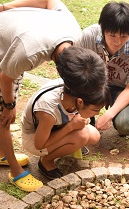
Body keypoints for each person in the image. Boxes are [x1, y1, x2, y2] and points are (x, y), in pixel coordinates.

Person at [0, 0, 92, 192]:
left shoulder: (74, 33)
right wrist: (8, 105)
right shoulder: (29, 54)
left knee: (9, 96)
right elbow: (5, 77)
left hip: (13, 42)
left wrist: (4, 7)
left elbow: (48, 1)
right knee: (2, 116)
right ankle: (15, 170)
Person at [21, 47, 110, 179]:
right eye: (95, 110)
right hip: (34, 139)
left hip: (54, 128)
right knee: (82, 136)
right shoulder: (48, 109)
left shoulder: (74, 87)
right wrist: (71, 126)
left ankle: (69, 145)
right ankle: (46, 161)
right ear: (80, 102)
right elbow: (39, 144)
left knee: (94, 136)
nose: (96, 114)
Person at [75, 1, 129, 137]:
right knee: (79, 121)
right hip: (91, 84)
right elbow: (76, 72)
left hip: (121, 88)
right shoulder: (88, 36)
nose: (117, 42)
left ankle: (118, 117)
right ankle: (87, 120)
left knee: (124, 125)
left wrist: (109, 114)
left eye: (124, 36)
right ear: (102, 27)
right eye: (112, 35)